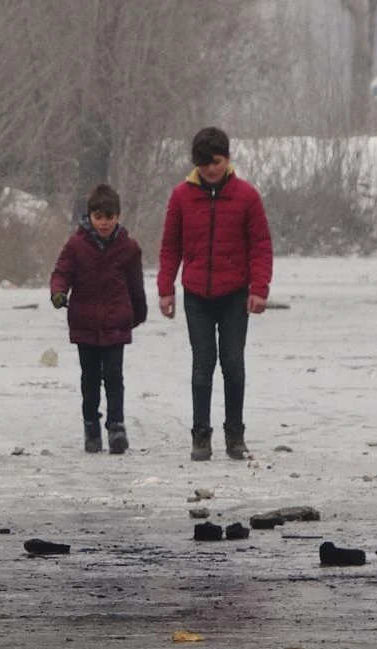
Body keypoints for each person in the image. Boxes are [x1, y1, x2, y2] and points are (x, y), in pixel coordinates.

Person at [157, 126, 274, 462]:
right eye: (204, 163)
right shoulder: (181, 196)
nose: (211, 169)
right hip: (196, 295)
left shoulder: (247, 196)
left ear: (228, 159)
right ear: (196, 163)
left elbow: (261, 246)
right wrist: (166, 290)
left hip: (235, 294)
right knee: (202, 365)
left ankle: (235, 434)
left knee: (233, 364)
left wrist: (260, 288)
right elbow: (170, 247)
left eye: (217, 161)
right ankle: (200, 435)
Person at [49, 183, 148, 454]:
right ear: (90, 217)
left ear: (118, 216)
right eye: (99, 217)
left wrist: (138, 314)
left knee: (115, 376)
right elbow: (61, 274)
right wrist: (58, 293)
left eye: (109, 217)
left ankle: (116, 426)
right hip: (85, 323)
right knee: (90, 378)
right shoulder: (76, 245)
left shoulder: (128, 247)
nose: (104, 223)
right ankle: (91, 425)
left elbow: (135, 285)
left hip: (116, 321)